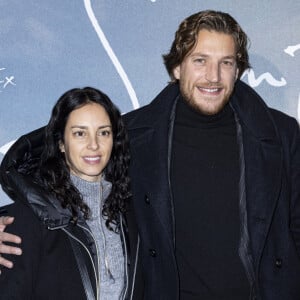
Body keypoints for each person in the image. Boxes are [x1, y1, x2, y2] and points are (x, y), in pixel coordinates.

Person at [1, 9, 300, 300]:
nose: (213, 76)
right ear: (176, 68)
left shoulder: (280, 134)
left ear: (237, 69)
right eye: (200, 61)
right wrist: (13, 222)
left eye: (226, 62)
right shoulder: (133, 133)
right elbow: (55, 170)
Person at [0, 87, 142, 299]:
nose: (94, 145)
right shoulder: (33, 215)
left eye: (103, 132)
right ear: (61, 144)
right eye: (79, 133)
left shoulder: (132, 212)